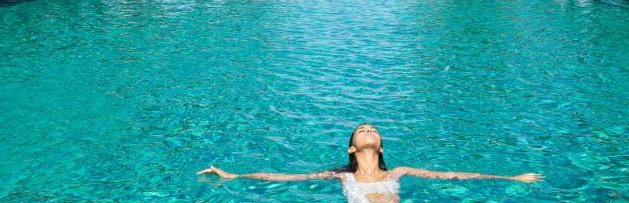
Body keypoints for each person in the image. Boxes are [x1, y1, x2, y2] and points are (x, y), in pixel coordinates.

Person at [199, 123, 542, 202]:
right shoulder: (339, 175)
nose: (368, 131)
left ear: (380, 146)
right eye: (362, 130)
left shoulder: (399, 172)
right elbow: (286, 178)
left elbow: (452, 175)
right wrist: (235, 175)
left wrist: (511, 178)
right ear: (352, 148)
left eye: (373, 130)